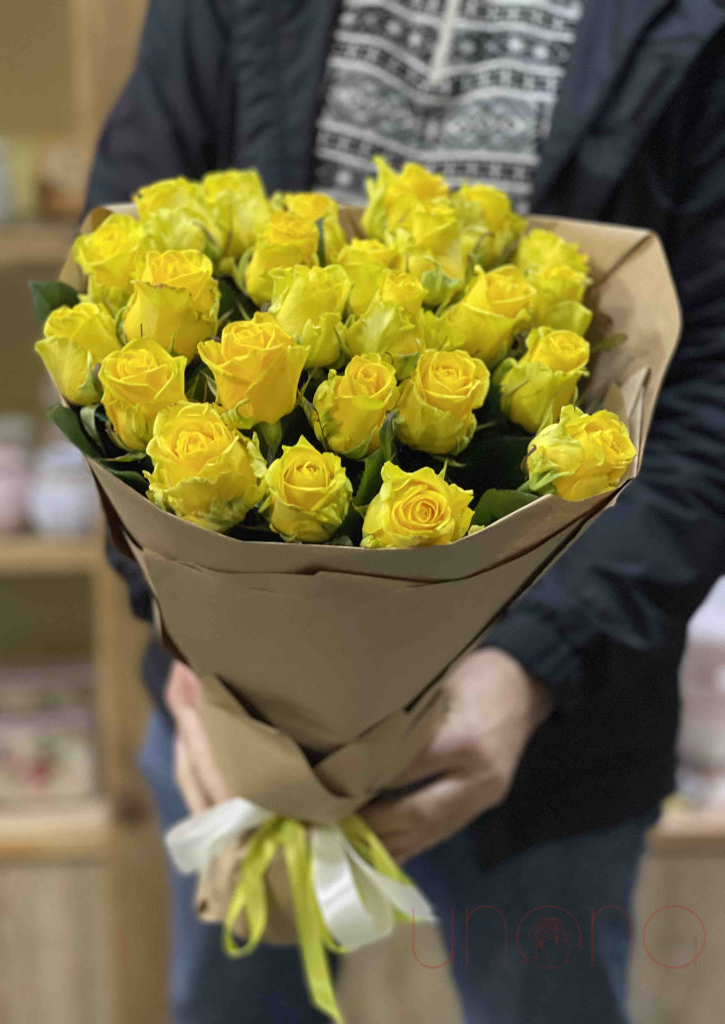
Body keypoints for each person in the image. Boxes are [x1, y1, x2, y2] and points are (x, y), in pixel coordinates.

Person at [85, 2, 725, 1022]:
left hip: (554, 734)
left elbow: (709, 402)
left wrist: (533, 670)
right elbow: (119, 275)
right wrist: (198, 661)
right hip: (228, 716)